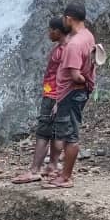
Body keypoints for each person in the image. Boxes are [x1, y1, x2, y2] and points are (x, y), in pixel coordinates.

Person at [43, 4, 97, 190]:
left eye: (64, 18)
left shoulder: (74, 44)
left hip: (71, 93)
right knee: (68, 133)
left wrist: (84, 80)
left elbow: (75, 75)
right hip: (74, 93)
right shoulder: (88, 36)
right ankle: (63, 172)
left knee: (70, 135)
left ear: (68, 19)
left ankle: (65, 177)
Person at [12, 17, 69, 184]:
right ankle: (52, 166)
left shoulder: (63, 51)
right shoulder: (63, 48)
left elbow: (66, 77)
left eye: (50, 30)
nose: (48, 33)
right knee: (53, 132)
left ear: (58, 31)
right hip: (53, 94)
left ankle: (34, 170)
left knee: (43, 133)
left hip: (54, 96)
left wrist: (59, 100)